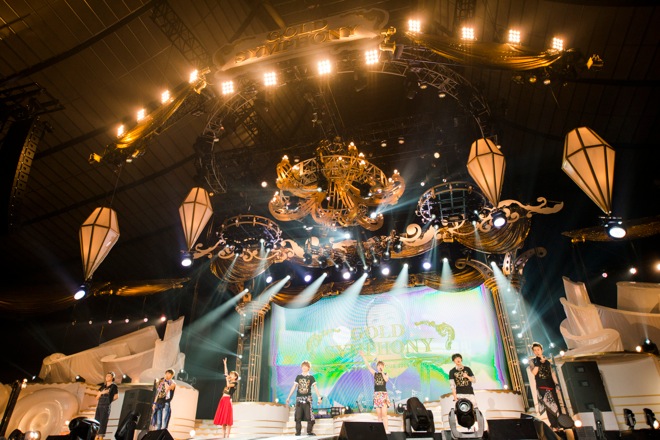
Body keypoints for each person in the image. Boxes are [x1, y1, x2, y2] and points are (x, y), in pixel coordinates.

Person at [530, 342, 562, 430]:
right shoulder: (533, 361)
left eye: (538, 350)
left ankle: (560, 423)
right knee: (548, 406)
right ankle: (554, 425)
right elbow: (534, 372)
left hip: (551, 385)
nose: (537, 351)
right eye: (535, 350)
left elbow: (552, 373)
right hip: (542, 386)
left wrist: (557, 384)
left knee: (556, 404)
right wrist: (538, 363)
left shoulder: (547, 362)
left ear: (542, 350)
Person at [286, 360, 322, 436]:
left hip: (307, 399)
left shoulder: (311, 377)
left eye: (305, 366)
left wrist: (319, 397)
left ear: (308, 368)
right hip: (299, 399)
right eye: (303, 366)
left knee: (309, 416)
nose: (304, 368)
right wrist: (288, 397)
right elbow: (294, 387)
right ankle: (298, 432)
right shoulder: (298, 377)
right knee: (298, 416)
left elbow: (315, 387)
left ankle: (309, 431)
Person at [360, 351, 391, 433]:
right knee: (379, 415)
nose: (379, 367)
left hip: (383, 395)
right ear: (377, 367)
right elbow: (368, 366)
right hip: (377, 395)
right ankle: (380, 431)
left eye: (381, 366)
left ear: (383, 367)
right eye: (378, 366)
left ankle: (386, 429)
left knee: (384, 414)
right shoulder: (375, 374)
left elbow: (386, 380)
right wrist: (363, 356)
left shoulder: (386, 373)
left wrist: (382, 372)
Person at [213, 358, 238, 438]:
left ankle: (227, 435)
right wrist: (225, 364)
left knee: (228, 418)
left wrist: (227, 379)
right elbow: (226, 373)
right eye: (231, 374)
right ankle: (223, 435)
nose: (230, 375)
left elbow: (228, 385)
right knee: (223, 419)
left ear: (235, 377)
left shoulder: (235, 383)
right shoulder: (229, 380)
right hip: (223, 399)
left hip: (227, 400)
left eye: (232, 374)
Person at [94, 372, 118, 438]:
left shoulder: (114, 386)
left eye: (109, 376)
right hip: (99, 406)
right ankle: (96, 436)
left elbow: (116, 396)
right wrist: (102, 393)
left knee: (103, 421)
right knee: (96, 421)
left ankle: (101, 437)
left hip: (105, 406)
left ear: (112, 378)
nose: (107, 377)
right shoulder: (102, 387)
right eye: (106, 376)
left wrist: (109, 401)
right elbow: (97, 397)